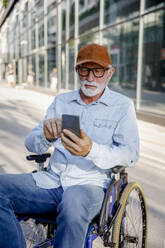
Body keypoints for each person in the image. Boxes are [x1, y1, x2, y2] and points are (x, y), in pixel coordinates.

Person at [0, 44, 139, 248]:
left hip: (89, 185)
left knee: (73, 203)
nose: (90, 77)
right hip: (52, 181)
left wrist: (92, 150)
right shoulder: (62, 101)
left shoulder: (122, 106)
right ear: (77, 71)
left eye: (98, 71)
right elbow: (31, 143)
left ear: (110, 73)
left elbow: (130, 154)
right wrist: (45, 137)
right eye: (85, 69)